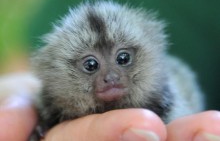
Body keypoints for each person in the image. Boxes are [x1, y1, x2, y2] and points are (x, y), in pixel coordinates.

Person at [0, 73, 220, 141]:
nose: (111, 76)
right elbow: (26, 66)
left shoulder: (164, 92)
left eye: (123, 59)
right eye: (91, 66)